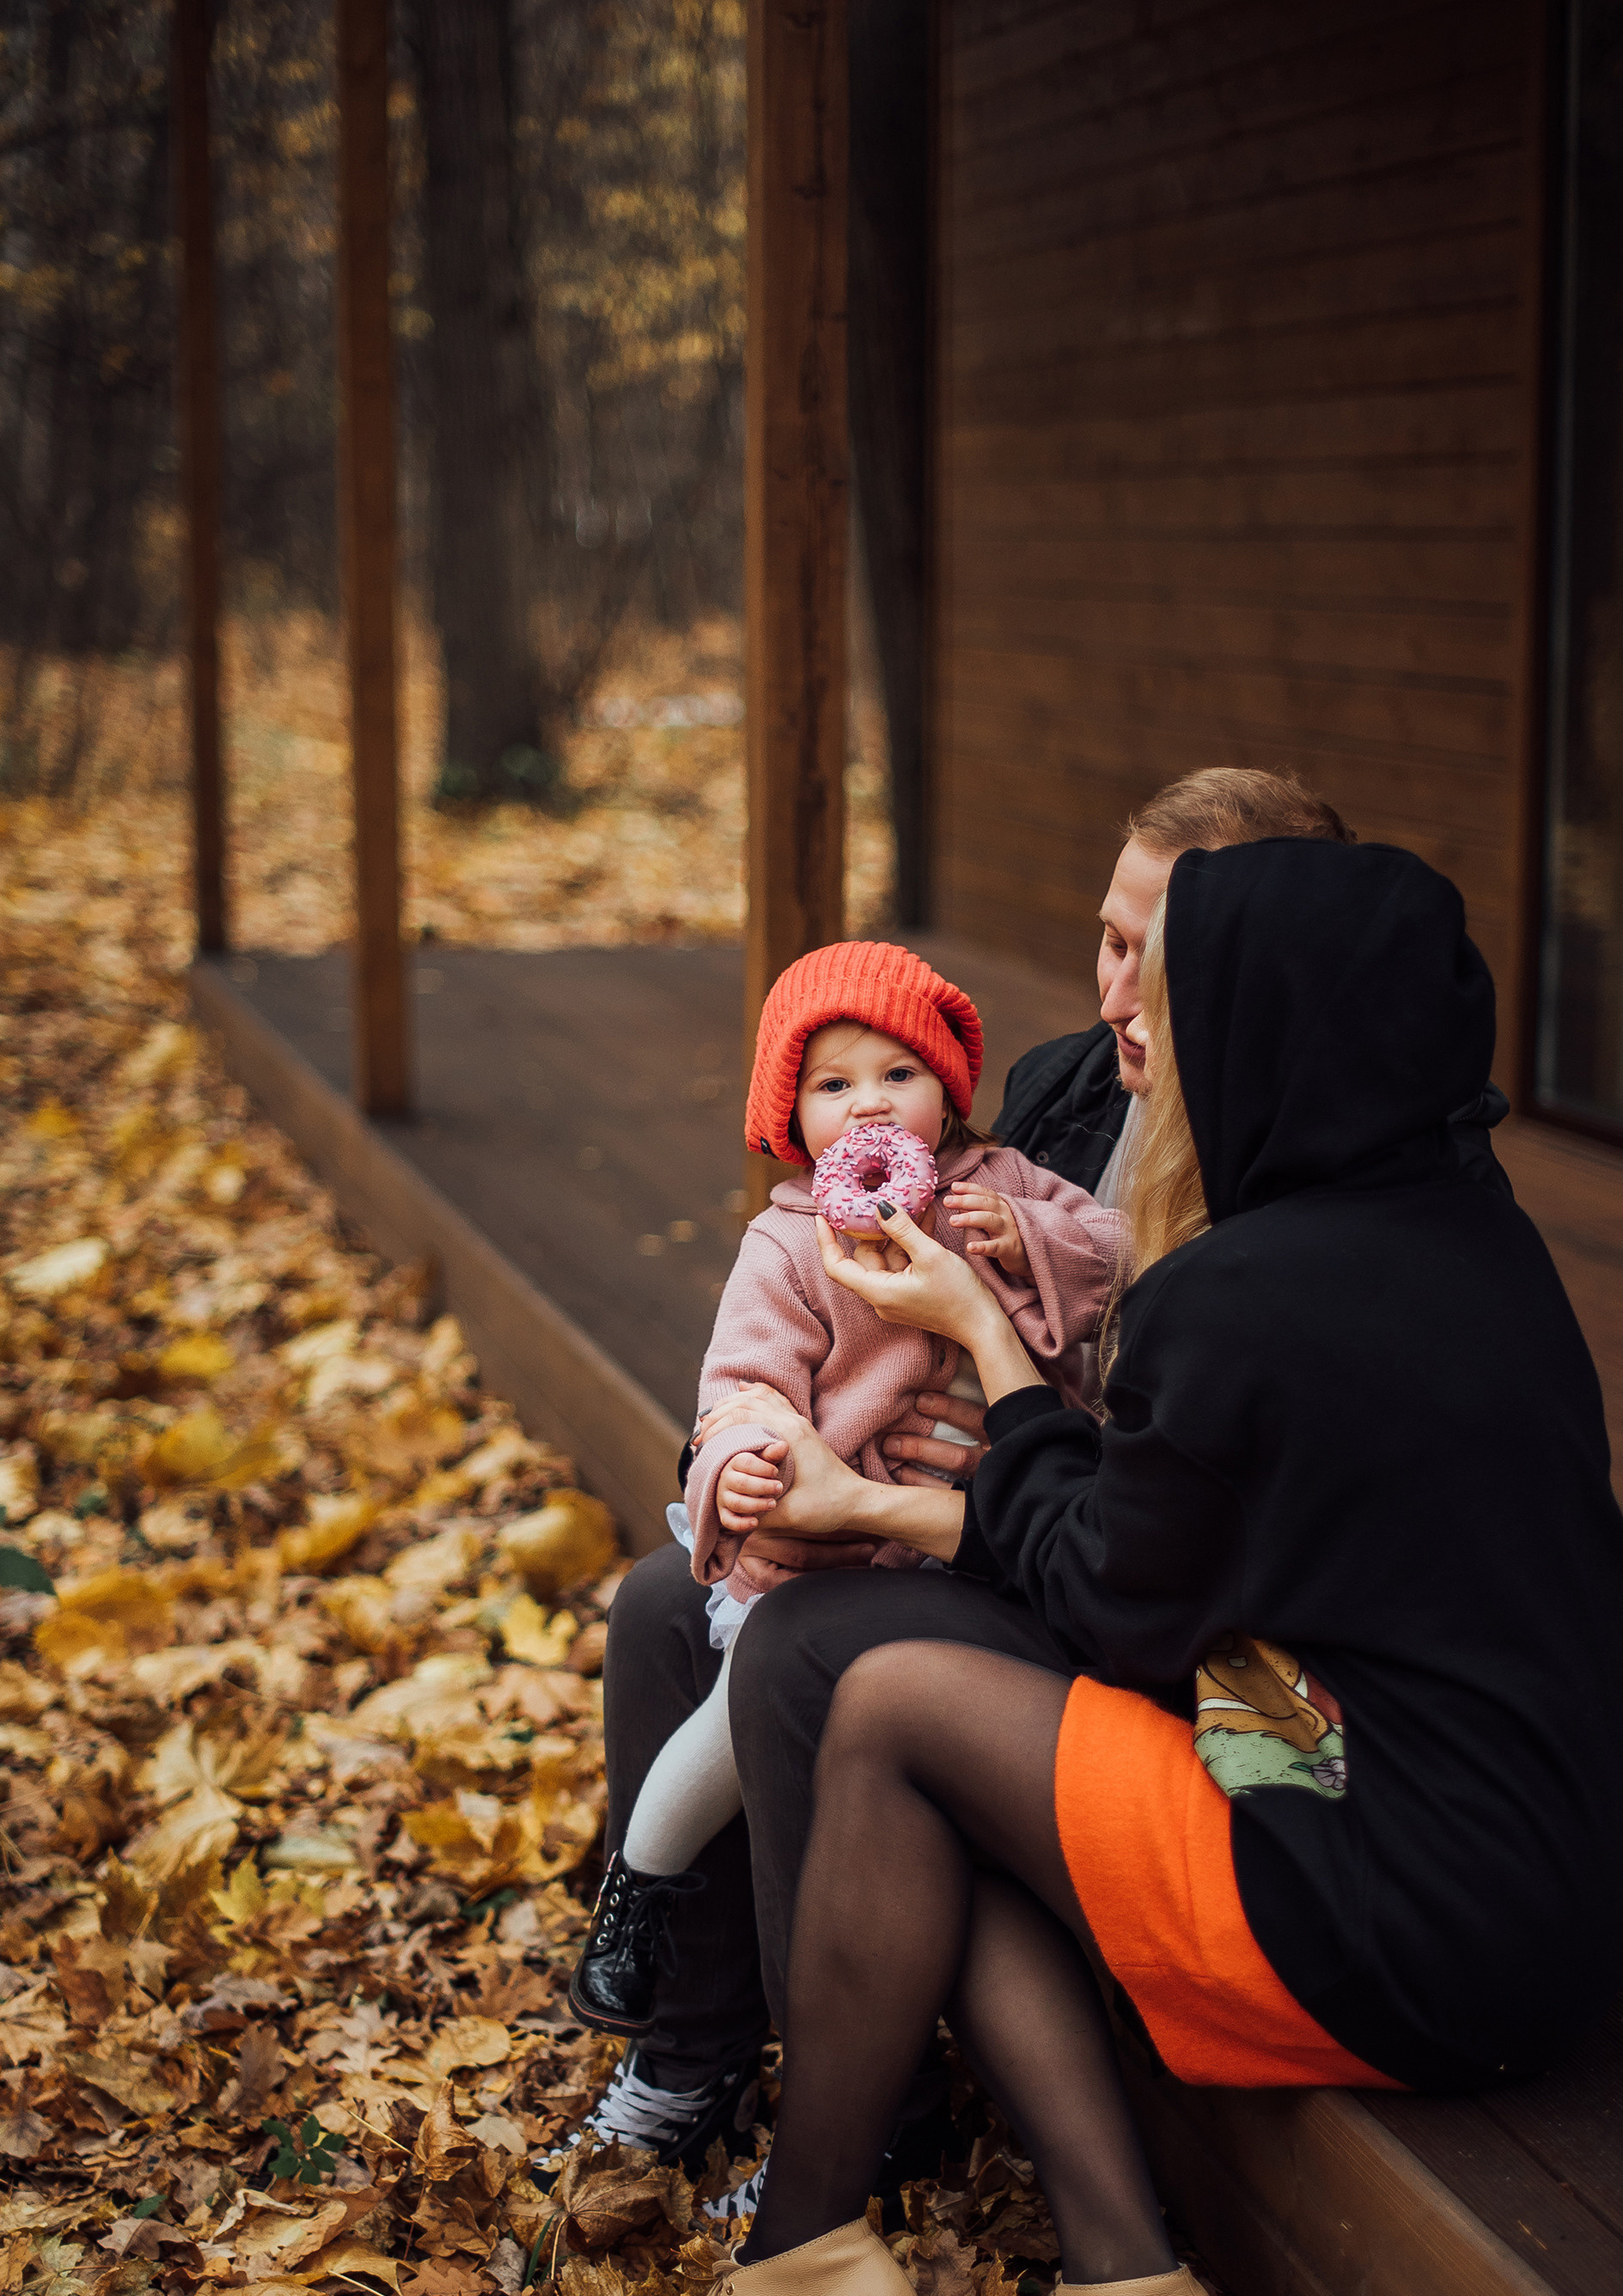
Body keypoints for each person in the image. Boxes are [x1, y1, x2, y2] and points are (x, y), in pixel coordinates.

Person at [658, 838, 1623, 2296]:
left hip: (1389, 1888)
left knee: (899, 1715)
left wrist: (987, 1352)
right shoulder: (1480, 1243)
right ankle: (1112, 2293)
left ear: (1267, 1035)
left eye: (1175, 1011)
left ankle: (817, 2252)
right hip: (1531, 1865)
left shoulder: (1246, 1294)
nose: (1143, 1053)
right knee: (908, 1722)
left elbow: (1120, 1606)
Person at [567, 767, 1359, 2168]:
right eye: (1109, 940)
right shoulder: (1065, 1089)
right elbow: (763, 1353)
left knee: (804, 1642)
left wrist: (955, 1442)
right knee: (653, 1606)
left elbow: (1180, 1498)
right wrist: (745, 1467)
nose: (1116, 995)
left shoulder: (1296, 1176)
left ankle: (853, 2106)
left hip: (1095, 1571)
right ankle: (687, 2051)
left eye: (1156, 961)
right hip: (928, 1513)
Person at [568, 941, 1124, 2039]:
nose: (868, 1103)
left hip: (969, 1541)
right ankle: (644, 1887)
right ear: (791, 1117)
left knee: (779, 1686)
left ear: (948, 1091)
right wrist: (741, 1470)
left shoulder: (1003, 1187)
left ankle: (759, 1981)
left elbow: (1122, 1253)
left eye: (896, 1073)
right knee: (710, 1671)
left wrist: (1028, 1239)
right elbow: (736, 1389)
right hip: (828, 1541)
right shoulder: (786, 1245)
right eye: (832, 1084)